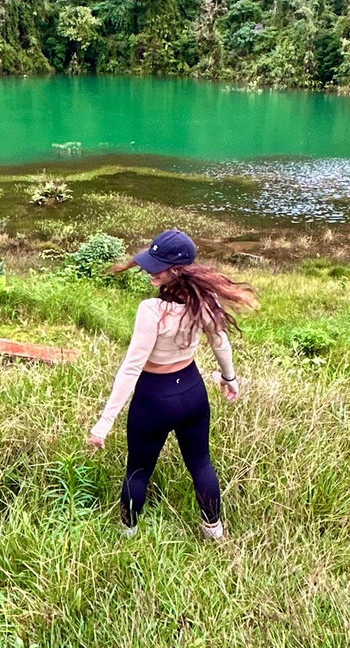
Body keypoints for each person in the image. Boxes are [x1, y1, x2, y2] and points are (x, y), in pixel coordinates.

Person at [87, 229, 258, 540]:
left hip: (154, 398)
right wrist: (229, 378)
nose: (151, 270)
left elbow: (131, 367)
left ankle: (128, 531)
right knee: (200, 462)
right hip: (192, 392)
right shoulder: (205, 300)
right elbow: (220, 343)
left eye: (158, 265)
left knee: (138, 470)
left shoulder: (151, 311)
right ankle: (213, 530)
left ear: (177, 270)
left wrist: (105, 421)